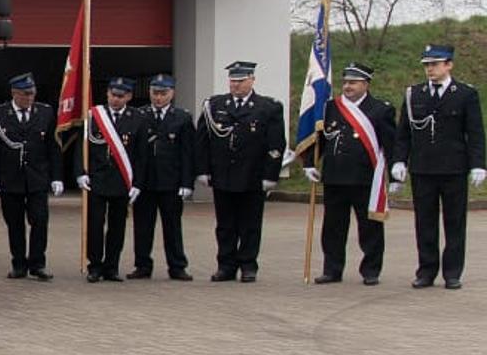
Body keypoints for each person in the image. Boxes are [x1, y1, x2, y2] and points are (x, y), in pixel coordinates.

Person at [393, 44, 485, 288]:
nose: (430, 69)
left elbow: (475, 132)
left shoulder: (465, 93)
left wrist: (478, 164)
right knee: (425, 222)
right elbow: (404, 133)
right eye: (427, 65)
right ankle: (426, 270)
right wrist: (399, 159)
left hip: (454, 168)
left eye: (434, 64)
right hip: (423, 168)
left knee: (454, 222)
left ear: (449, 65)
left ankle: (452, 272)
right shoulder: (415, 94)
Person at [304, 63, 396, 286]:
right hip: (335, 177)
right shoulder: (331, 108)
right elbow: (320, 139)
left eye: (353, 82)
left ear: (365, 84)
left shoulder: (381, 109)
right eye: (345, 82)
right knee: (333, 228)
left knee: (370, 227)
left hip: (365, 179)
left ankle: (371, 270)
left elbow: (390, 145)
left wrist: (394, 177)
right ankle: (332, 269)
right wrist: (309, 163)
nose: (347, 86)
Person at [195, 61, 286, 283]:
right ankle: (225, 265)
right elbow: (202, 141)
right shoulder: (214, 105)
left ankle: (248, 265)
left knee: (250, 224)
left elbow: (275, 144)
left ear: (252, 80)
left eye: (240, 81)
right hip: (223, 174)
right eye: (233, 81)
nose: (235, 85)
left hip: (252, 175)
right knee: (225, 225)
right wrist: (202, 170)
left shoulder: (268, 107)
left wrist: (270, 175)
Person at [0, 72, 62, 281]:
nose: (29, 98)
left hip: (37, 178)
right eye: (25, 94)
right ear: (14, 93)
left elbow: (52, 147)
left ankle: (38, 263)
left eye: (32, 93)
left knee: (40, 221)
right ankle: (19, 263)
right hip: (11, 178)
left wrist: (57, 176)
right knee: (15, 224)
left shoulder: (45, 112)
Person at [75, 77, 149, 283]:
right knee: (95, 225)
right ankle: (95, 266)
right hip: (97, 180)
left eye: (121, 96)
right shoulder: (94, 116)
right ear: (107, 94)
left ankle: (112, 266)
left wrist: (137, 184)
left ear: (129, 97)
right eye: (113, 95)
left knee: (117, 227)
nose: (116, 99)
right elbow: (81, 148)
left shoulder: (138, 118)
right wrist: (80, 172)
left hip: (122, 181)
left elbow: (142, 156)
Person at [130, 74, 196, 281]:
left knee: (173, 227)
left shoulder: (182, 117)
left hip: (171, 182)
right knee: (142, 227)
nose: (158, 98)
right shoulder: (140, 115)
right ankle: (142, 265)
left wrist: (187, 182)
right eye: (154, 93)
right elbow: (133, 152)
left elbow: (188, 153)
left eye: (163, 93)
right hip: (145, 182)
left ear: (172, 93)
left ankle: (177, 266)